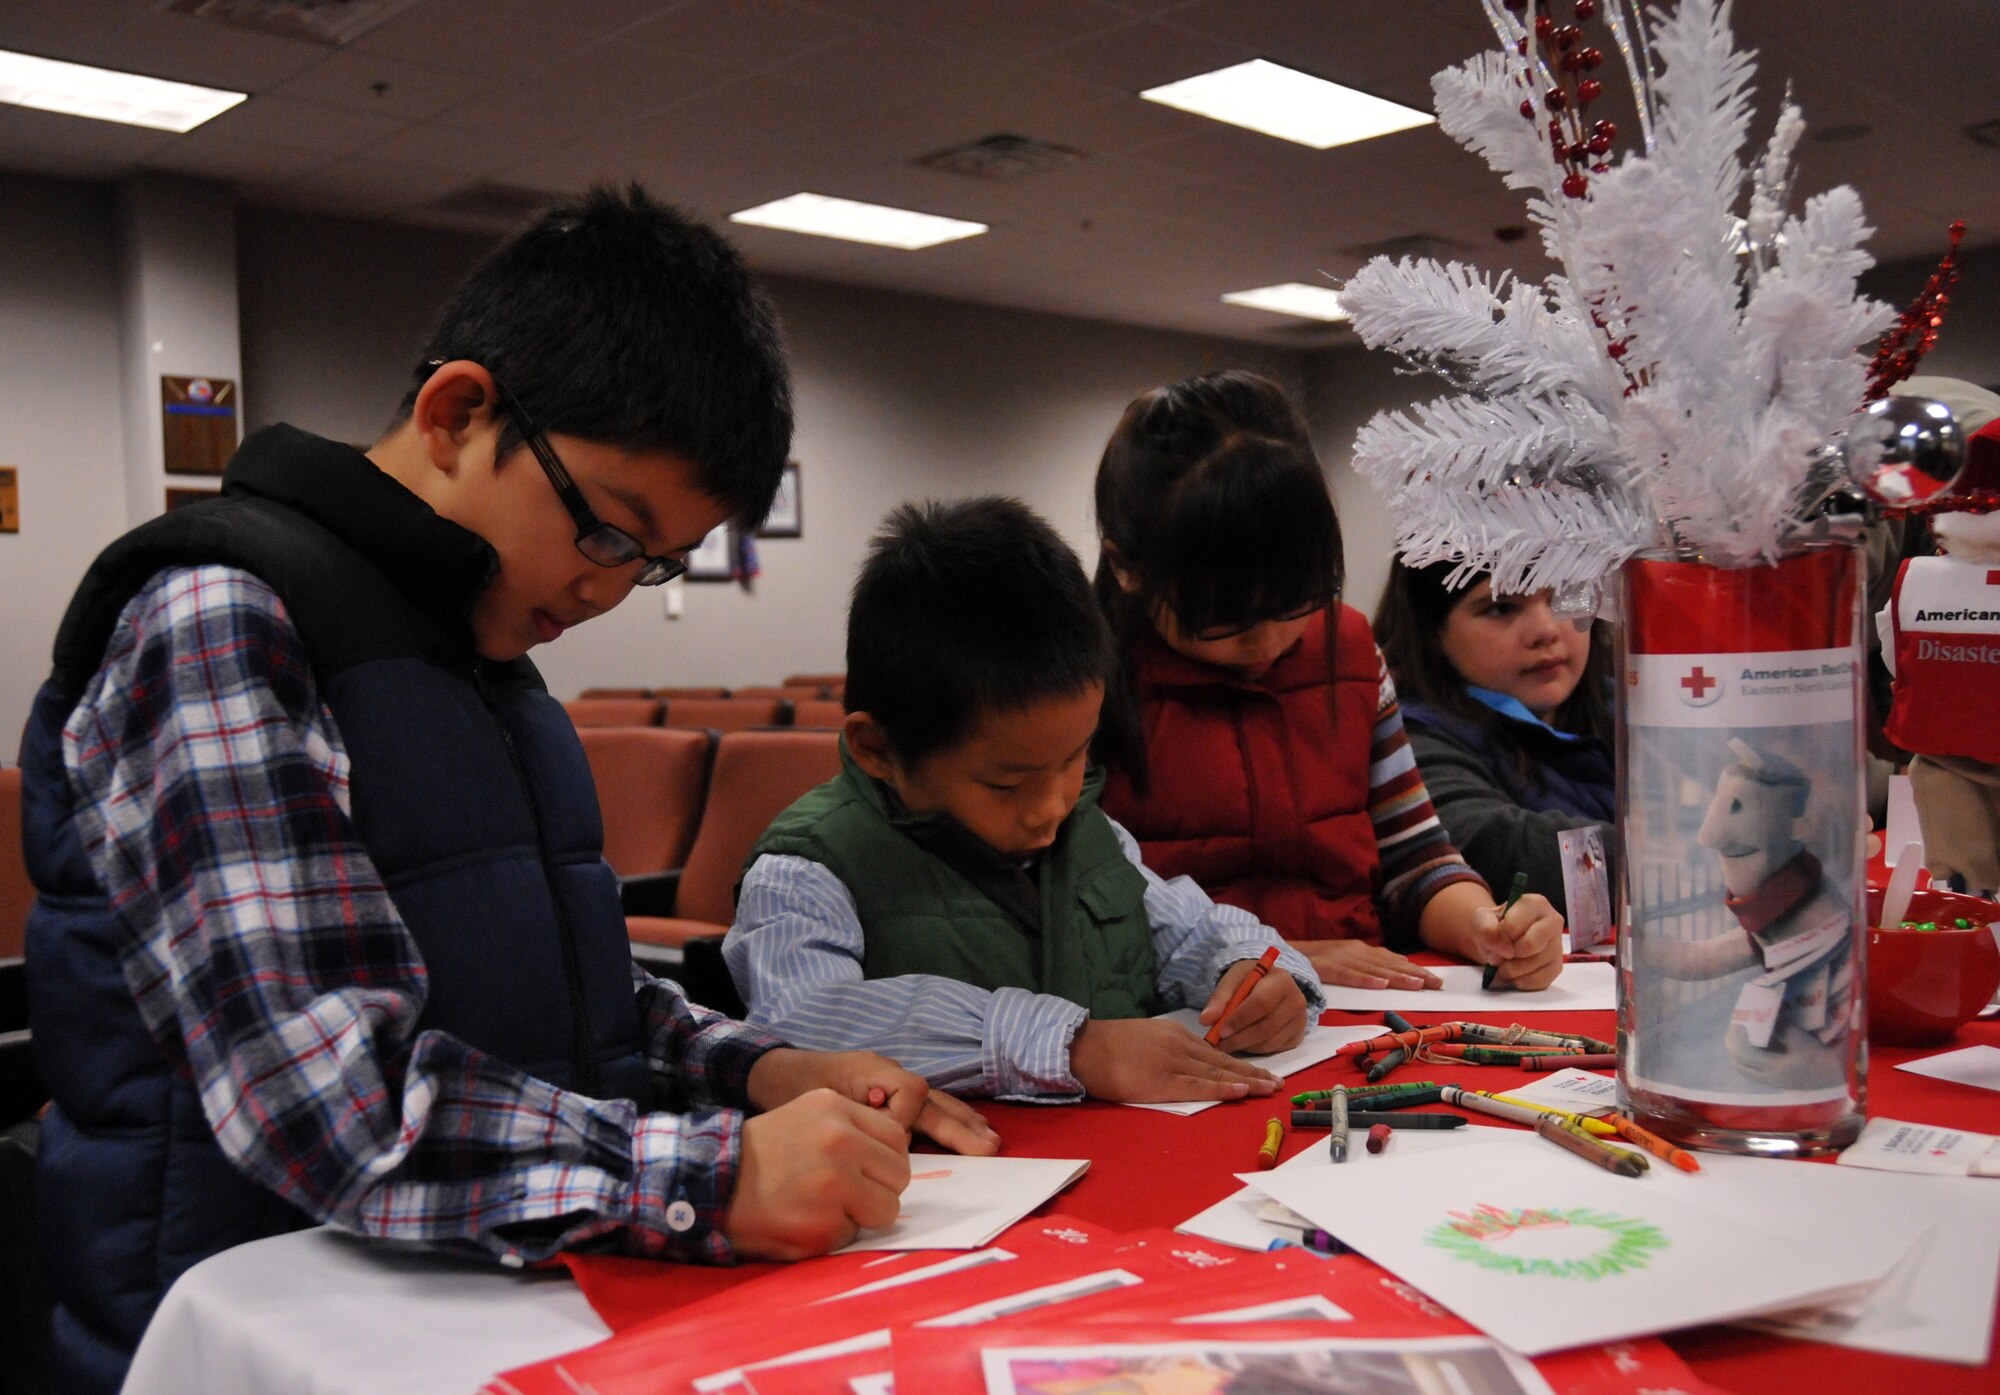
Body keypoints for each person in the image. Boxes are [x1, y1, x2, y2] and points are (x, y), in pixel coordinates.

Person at [18, 186, 992, 1395]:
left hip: (478, 1299)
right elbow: (325, 1102)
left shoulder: (477, 648)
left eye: (655, 564)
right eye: (605, 533)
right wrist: (702, 1178)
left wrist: (750, 1070)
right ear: (457, 411)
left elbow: (558, 989)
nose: (609, 593)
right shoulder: (221, 616)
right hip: (251, 1329)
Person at [724, 497, 1322, 1104]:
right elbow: (804, 1023)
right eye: (1006, 784)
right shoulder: (804, 873)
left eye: (1076, 757)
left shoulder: (1091, 836)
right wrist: (1073, 1047)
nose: (1053, 806)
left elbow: (1185, 930)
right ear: (878, 748)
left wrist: (1249, 970)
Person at [1088, 371, 1563, 994]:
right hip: (1182, 1021)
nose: (1265, 642)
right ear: (1127, 567)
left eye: (1295, 603)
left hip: (1354, 1010)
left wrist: (1485, 925)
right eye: (1223, 620)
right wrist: (1276, 955)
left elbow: (1415, 855)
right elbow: (1078, 919)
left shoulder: (1348, 651)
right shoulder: (1086, 680)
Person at [1372, 557, 1615, 919]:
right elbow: (1501, 853)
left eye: (1563, 597)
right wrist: (1697, 853)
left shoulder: (1639, 707)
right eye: (1501, 608)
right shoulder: (1406, 734)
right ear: (1432, 632)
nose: (1546, 630)